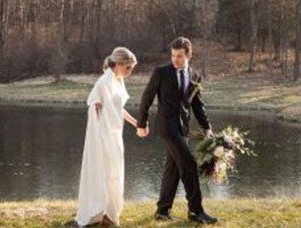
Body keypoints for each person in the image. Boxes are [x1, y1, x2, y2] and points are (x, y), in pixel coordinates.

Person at [136, 37, 218, 224]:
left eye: (180, 56)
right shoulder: (161, 73)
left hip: (183, 129)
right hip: (166, 127)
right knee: (188, 164)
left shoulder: (195, 76)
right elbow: (146, 98)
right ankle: (196, 211)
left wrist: (207, 128)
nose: (175, 59)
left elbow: (197, 105)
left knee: (172, 170)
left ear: (189, 55)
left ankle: (162, 210)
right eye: (173, 55)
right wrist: (141, 123)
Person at [76, 47, 142, 227]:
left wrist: (136, 123)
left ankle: (111, 213)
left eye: (131, 68)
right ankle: (102, 212)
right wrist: (95, 107)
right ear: (119, 64)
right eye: (128, 68)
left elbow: (118, 109)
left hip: (115, 134)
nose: (130, 72)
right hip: (104, 136)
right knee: (107, 172)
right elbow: (94, 103)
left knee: (115, 173)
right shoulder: (104, 81)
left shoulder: (118, 80)